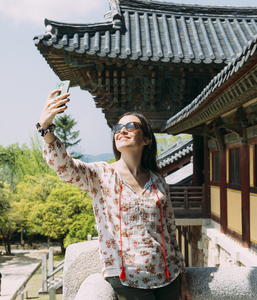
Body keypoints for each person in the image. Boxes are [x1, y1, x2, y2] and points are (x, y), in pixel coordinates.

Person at [38, 90, 192, 300]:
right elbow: (65, 167)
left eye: (131, 126)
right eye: (118, 128)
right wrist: (46, 127)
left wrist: (182, 277)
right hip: (127, 279)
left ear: (146, 139)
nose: (122, 131)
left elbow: (170, 232)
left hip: (168, 277)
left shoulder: (157, 181)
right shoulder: (101, 174)